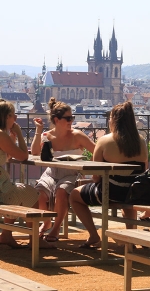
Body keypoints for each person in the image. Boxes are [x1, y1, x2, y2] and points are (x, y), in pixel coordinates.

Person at [69, 102, 148, 248]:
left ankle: (93, 235)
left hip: (110, 193)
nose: (108, 120)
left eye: (110, 117)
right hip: (135, 193)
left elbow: (96, 177)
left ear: (114, 120)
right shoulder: (141, 142)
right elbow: (144, 171)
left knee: (74, 195)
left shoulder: (104, 141)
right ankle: (131, 239)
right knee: (128, 201)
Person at [30, 98, 95, 242]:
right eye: (68, 118)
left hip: (72, 174)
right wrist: (38, 130)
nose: (71, 121)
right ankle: (46, 222)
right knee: (38, 194)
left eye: (72, 117)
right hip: (51, 173)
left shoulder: (77, 135)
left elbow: (97, 151)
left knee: (61, 191)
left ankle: (55, 229)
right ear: (56, 119)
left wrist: (88, 164)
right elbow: (34, 152)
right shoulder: (47, 136)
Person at [0, 99, 54, 249]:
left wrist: (12, 141)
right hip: (1, 188)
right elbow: (23, 156)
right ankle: (35, 239)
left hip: (3, 186)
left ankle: (6, 235)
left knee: (18, 192)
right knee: (32, 194)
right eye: (13, 115)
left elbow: (7, 156)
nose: (15, 119)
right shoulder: (0, 135)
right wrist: (19, 133)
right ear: (6, 117)